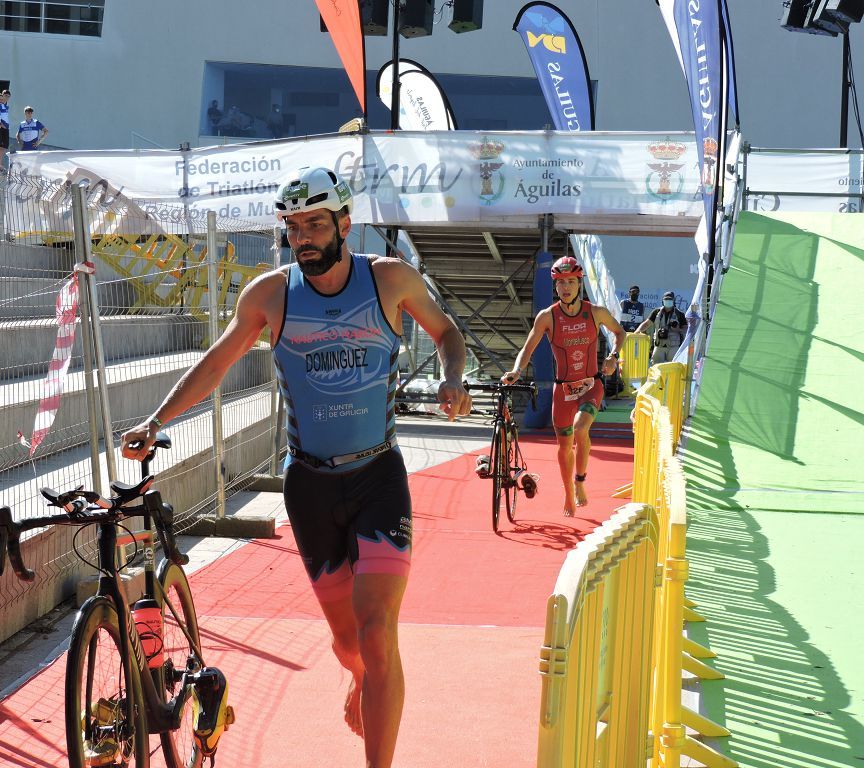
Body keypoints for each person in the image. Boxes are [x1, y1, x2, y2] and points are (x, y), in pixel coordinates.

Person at [121, 167, 470, 768]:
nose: (302, 237)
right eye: (292, 227)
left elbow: (447, 332)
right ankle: (360, 677)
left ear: (344, 223)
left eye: (314, 224)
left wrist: (453, 378)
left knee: (379, 631)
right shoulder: (270, 295)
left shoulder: (390, 280)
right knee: (347, 643)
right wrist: (157, 421)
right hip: (308, 484)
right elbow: (216, 363)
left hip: (378, 477)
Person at [501, 256, 626, 517]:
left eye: (571, 281)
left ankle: (580, 482)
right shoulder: (547, 317)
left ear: (579, 283)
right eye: (560, 283)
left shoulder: (595, 312)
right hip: (563, 390)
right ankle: (568, 492)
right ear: (555, 287)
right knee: (564, 445)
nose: (566, 287)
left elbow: (620, 332)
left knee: (581, 429)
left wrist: (614, 356)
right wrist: (516, 370)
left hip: (592, 384)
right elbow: (528, 347)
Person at [636, 290, 688, 365]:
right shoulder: (656, 312)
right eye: (666, 299)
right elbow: (647, 324)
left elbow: (686, 329)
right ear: (662, 301)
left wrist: (678, 329)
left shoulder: (679, 314)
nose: (668, 301)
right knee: (656, 367)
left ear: (673, 301)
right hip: (659, 345)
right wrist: (637, 332)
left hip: (674, 347)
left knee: (673, 368)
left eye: (670, 299)